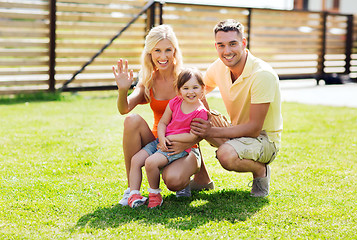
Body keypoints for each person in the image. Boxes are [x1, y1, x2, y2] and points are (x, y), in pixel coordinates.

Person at [112, 25, 213, 206]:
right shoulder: (148, 80)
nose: (163, 56)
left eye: (168, 50)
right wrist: (122, 90)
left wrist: (187, 142)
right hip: (158, 142)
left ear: (175, 51)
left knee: (173, 180)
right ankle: (132, 191)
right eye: (157, 50)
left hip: (186, 145)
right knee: (131, 120)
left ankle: (184, 179)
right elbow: (124, 109)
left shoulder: (186, 79)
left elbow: (206, 121)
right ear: (150, 52)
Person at [191, 19, 283, 197]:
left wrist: (210, 131)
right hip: (236, 131)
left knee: (226, 155)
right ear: (215, 46)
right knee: (195, 119)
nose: (227, 51)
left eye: (233, 44)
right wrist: (202, 116)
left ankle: (260, 171)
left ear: (243, 43)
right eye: (221, 45)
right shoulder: (219, 66)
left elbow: (254, 129)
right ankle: (202, 179)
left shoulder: (262, 74)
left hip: (264, 140)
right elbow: (198, 90)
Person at [127, 68, 208, 208]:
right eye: (186, 88)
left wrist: (171, 139)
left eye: (195, 87)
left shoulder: (200, 112)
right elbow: (163, 123)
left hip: (179, 146)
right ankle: (134, 195)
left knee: (151, 162)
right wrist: (162, 138)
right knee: (135, 160)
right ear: (179, 90)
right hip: (162, 140)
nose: (191, 92)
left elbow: (193, 136)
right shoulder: (175, 102)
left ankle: (155, 195)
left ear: (202, 89)